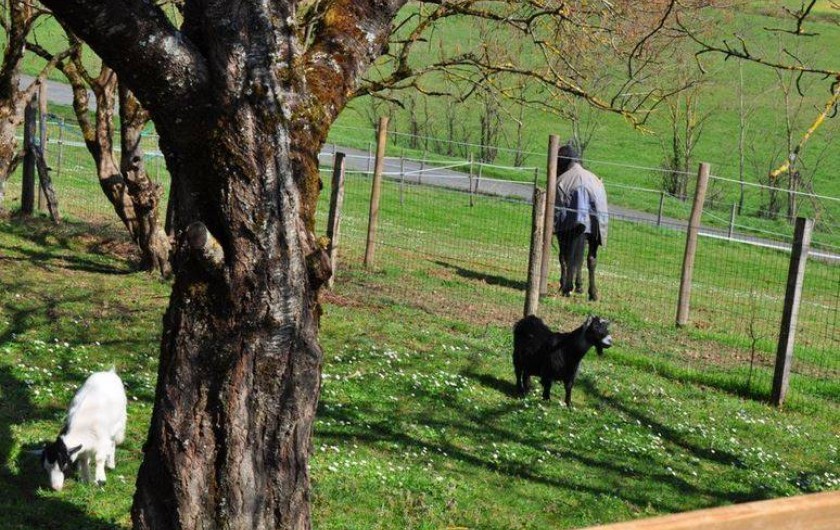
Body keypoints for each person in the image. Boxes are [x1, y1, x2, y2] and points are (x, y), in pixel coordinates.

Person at [553, 143, 608, 300]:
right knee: (591, 253)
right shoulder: (594, 180)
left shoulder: (563, 180)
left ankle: (566, 283)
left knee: (566, 250)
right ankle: (591, 288)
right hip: (594, 211)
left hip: (572, 219)